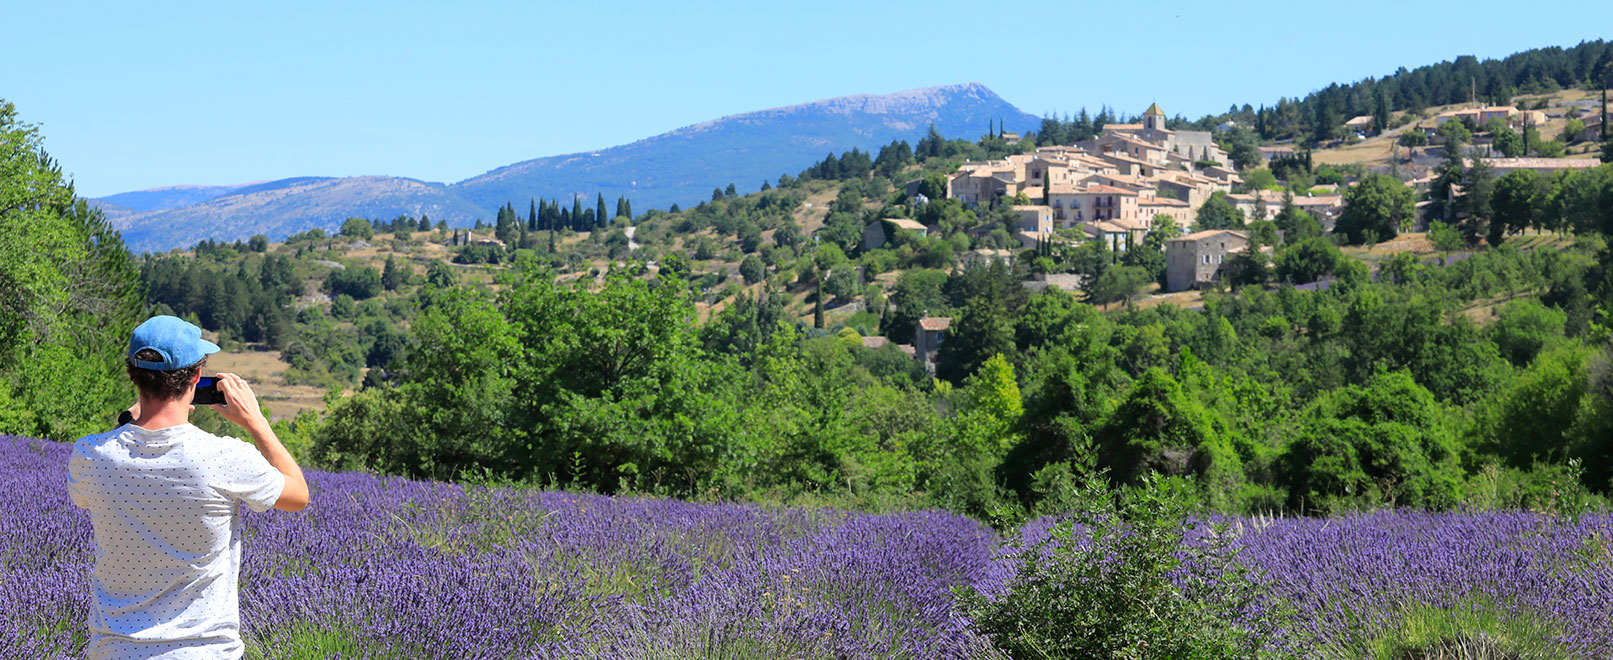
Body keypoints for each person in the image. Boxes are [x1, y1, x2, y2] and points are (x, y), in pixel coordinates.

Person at [67, 315, 310, 659]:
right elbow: (298, 495)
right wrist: (256, 421)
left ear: (131, 374)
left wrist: (130, 422)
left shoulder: (90, 455)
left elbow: (93, 485)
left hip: (114, 650)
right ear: (196, 376)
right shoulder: (224, 457)